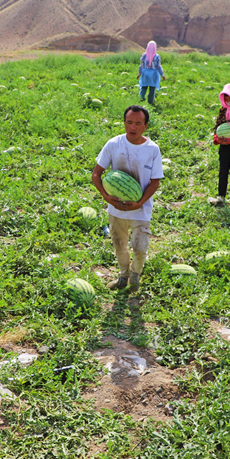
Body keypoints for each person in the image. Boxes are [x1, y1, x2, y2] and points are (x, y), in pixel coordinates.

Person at [92, 105, 163, 292]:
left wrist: (139, 202)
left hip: (141, 208)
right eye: (129, 122)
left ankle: (135, 275)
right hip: (116, 208)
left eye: (138, 123)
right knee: (119, 244)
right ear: (124, 123)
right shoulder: (114, 144)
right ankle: (123, 276)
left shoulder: (152, 149)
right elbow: (96, 174)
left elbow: (155, 182)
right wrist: (106, 196)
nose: (133, 127)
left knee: (140, 248)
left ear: (145, 126)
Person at [137, 41, 165, 105]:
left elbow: (141, 65)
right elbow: (158, 66)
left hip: (145, 73)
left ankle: (141, 98)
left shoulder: (144, 55)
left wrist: (139, 73)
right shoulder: (156, 56)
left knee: (144, 86)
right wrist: (162, 74)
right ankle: (150, 101)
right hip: (153, 74)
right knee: (152, 88)